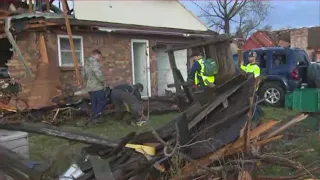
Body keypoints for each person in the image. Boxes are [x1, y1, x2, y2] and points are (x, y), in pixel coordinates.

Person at [82, 49, 107, 124]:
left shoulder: (86, 63)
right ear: (97, 54)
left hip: (90, 86)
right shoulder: (94, 62)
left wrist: (89, 80)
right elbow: (98, 74)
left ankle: (93, 118)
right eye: (100, 56)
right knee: (103, 101)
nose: (100, 58)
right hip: (97, 86)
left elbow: (83, 75)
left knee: (94, 103)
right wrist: (103, 81)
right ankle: (96, 116)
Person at [240, 50, 263, 121]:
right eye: (249, 57)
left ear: (254, 57)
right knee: (254, 103)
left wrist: (255, 87)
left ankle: (255, 119)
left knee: (252, 104)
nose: (249, 58)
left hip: (252, 88)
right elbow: (246, 69)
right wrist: (241, 65)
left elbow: (257, 79)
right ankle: (261, 114)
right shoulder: (248, 65)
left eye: (251, 57)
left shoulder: (256, 67)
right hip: (248, 87)